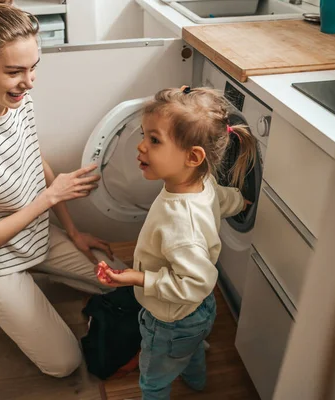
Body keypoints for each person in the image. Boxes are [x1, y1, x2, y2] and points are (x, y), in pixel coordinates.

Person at [0, 0, 127, 378]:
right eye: (15, 71)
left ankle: (40, 271)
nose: (29, 81)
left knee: (121, 280)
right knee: (64, 364)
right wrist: (51, 197)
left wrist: (72, 231)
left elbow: (36, 160)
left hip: (36, 237)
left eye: (34, 67)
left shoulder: (19, 102)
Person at [97, 87, 256, 399]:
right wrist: (242, 201)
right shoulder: (202, 183)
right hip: (196, 311)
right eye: (145, 135)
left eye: (154, 140)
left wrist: (138, 278)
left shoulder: (181, 221)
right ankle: (196, 380)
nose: (141, 146)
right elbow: (222, 200)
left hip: (170, 320)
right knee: (190, 349)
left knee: (153, 381)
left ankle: (188, 371)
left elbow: (195, 283)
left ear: (192, 156)